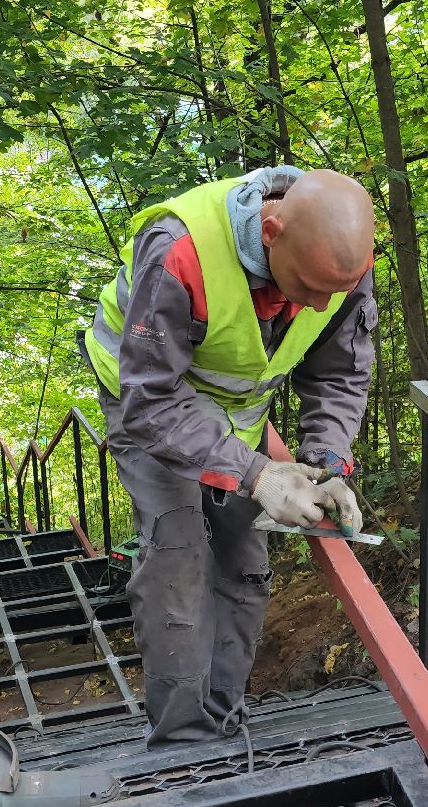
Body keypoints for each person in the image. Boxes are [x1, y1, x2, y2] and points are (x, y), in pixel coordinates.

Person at [81, 166, 379, 747]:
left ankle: (224, 718)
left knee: (244, 561)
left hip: (238, 416)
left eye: (335, 290)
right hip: (148, 403)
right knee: (178, 559)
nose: (322, 303)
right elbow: (152, 400)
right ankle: (184, 743)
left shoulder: (342, 259)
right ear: (270, 232)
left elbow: (340, 373)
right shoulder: (180, 249)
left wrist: (328, 463)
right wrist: (258, 474)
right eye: (310, 285)